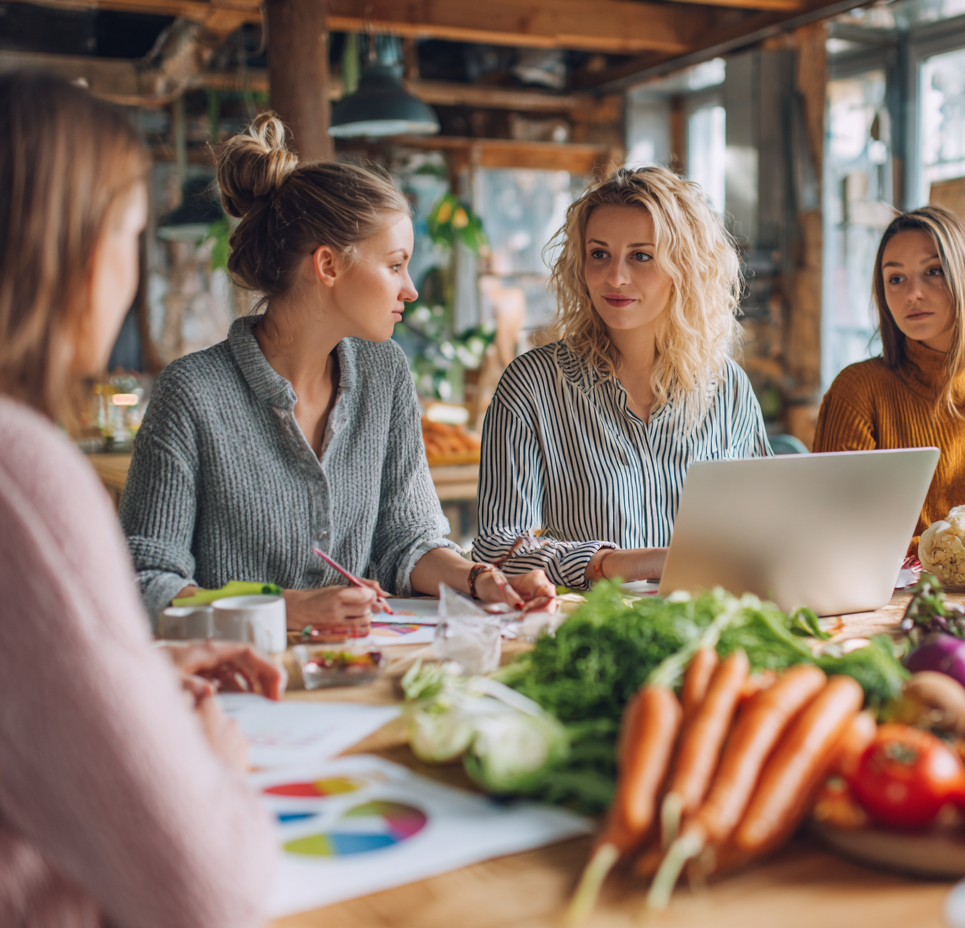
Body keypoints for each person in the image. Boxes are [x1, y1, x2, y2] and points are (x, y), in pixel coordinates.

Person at [0, 71, 278, 928]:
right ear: (72, 247)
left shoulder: (384, 381)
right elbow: (209, 892)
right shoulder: (26, 476)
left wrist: (117, 681)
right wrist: (214, 762)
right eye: (132, 233)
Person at [120, 113, 554, 638]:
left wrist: (482, 579)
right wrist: (286, 610)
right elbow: (145, 584)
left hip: (355, 677)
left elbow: (408, 538)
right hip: (234, 686)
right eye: (395, 265)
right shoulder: (191, 393)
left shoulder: (384, 373)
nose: (410, 288)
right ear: (327, 266)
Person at [474, 166, 770, 589]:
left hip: (708, 628)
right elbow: (496, 551)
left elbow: (766, 531)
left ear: (685, 267)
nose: (615, 277)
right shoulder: (533, 385)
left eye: (641, 256)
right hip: (592, 631)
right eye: (599, 254)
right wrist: (618, 563)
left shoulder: (728, 388)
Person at [813, 205, 965, 539]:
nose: (912, 293)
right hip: (890, 593)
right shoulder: (857, 391)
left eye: (933, 271)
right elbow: (835, 532)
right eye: (896, 278)